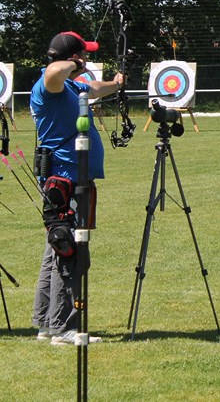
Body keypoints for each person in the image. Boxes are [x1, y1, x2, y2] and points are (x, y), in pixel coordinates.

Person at [31, 31, 123, 346]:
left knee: (54, 251)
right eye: (83, 54)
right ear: (71, 56)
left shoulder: (72, 86)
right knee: (71, 251)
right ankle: (63, 327)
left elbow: (95, 89)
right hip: (63, 180)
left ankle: (46, 324)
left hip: (75, 179)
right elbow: (53, 71)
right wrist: (71, 64)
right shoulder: (50, 87)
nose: (86, 60)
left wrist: (117, 83)